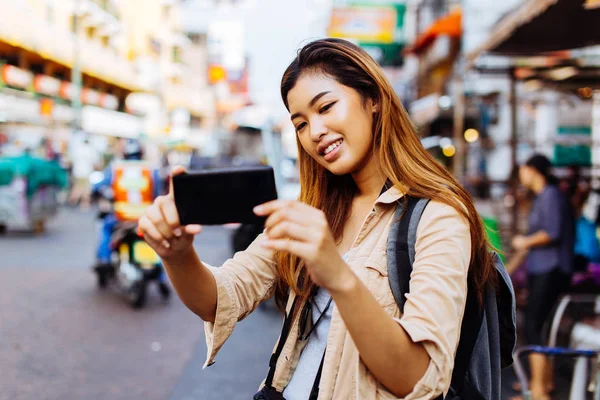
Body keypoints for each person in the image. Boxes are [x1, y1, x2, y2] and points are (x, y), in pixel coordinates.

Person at [139, 38, 497, 399]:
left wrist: (338, 276)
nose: (315, 132)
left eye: (326, 107)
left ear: (372, 99)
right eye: (300, 124)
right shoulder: (313, 211)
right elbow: (221, 297)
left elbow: (419, 378)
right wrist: (177, 254)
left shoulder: (440, 217)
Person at [508, 154, 574, 400]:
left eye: (524, 169)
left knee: (534, 325)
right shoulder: (541, 198)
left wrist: (524, 240)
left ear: (534, 170)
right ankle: (541, 383)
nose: (522, 175)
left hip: (552, 269)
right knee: (539, 326)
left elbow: (552, 232)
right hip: (541, 269)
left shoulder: (552, 196)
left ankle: (537, 392)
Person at [68, 138, 99, 211]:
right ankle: (83, 203)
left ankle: (73, 201)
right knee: (85, 188)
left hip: (77, 171)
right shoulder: (91, 149)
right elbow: (95, 162)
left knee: (78, 186)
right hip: (86, 172)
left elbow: (71, 160)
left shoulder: (77, 149)